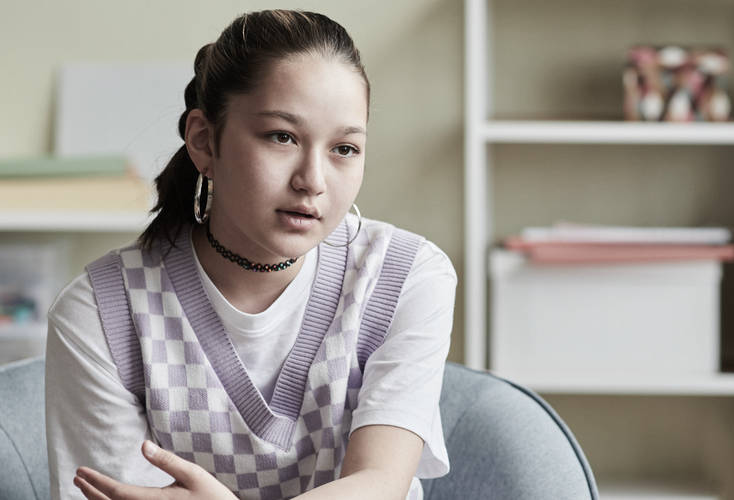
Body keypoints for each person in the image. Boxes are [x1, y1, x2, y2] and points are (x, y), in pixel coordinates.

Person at [45, 9, 456, 500]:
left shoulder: (405, 277)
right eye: (281, 137)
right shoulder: (101, 312)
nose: (313, 181)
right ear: (204, 141)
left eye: (344, 149)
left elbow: (380, 484)